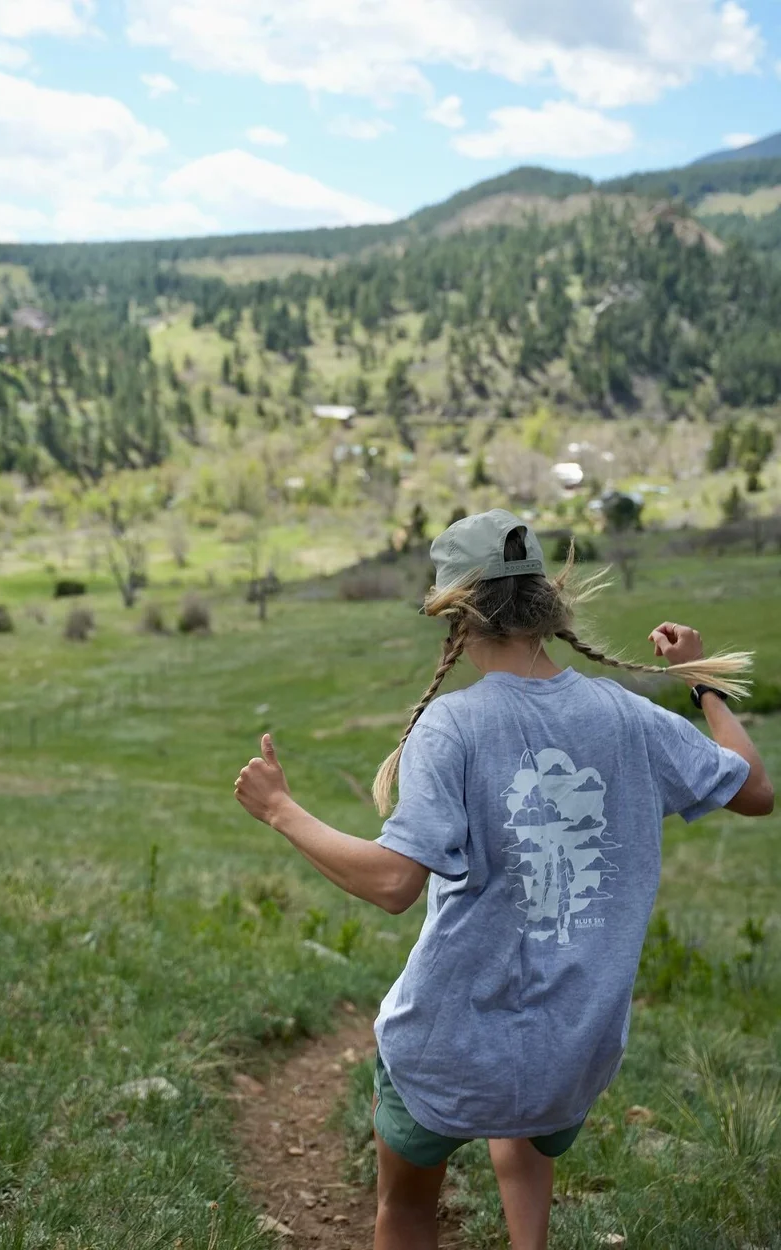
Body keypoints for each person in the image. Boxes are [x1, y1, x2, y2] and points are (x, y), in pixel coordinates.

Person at [233, 509, 773, 1250]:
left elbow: (393, 885)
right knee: (520, 1128)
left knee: (406, 1208)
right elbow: (754, 790)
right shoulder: (627, 716)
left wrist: (281, 810)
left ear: (455, 614)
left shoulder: (452, 725)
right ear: (546, 602)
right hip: (570, 1055)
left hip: (448, 1049)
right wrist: (700, 683)